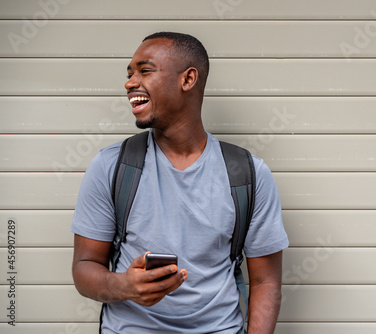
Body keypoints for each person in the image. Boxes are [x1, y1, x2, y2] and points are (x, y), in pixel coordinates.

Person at [71, 32, 289, 333]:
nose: (130, 82)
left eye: (145, 71)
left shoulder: (248, 174)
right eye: (129, 73)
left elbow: (266, 281)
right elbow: (84, 267)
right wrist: (123, 285)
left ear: (188, 80)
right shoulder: (110, 166)